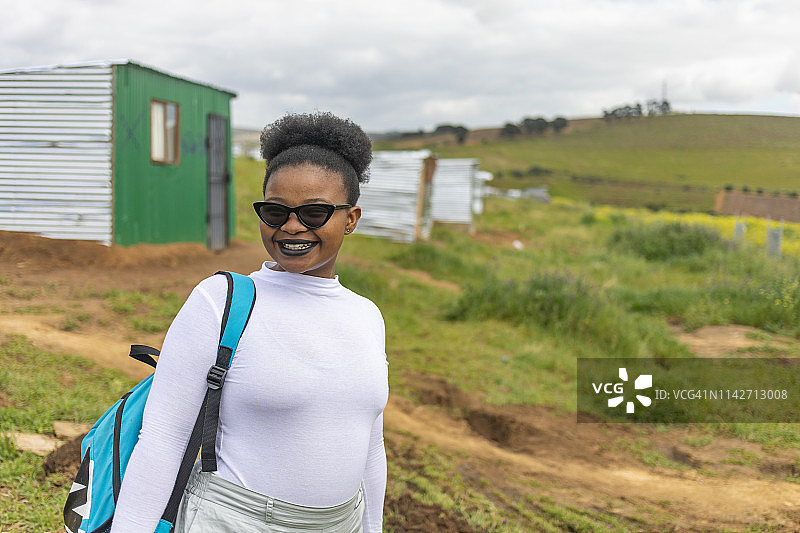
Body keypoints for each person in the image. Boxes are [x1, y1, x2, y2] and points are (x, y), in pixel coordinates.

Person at [110, 112, 388, 533]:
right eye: (275, 211)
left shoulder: (367, 316)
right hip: (235, 521)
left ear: (350, 219)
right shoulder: (220, 301)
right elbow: (162, 438)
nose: (292, 227)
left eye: (314, 213)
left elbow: (371, 445)